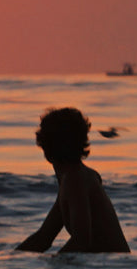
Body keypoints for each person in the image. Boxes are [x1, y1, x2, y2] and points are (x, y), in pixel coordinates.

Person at [16, 107, 130, 253]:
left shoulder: (75, 181)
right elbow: (43, 238)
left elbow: (81, 240)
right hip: (112, 268)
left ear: (44, 145)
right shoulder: (76, 178)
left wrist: (55, 267)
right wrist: (10, 262)